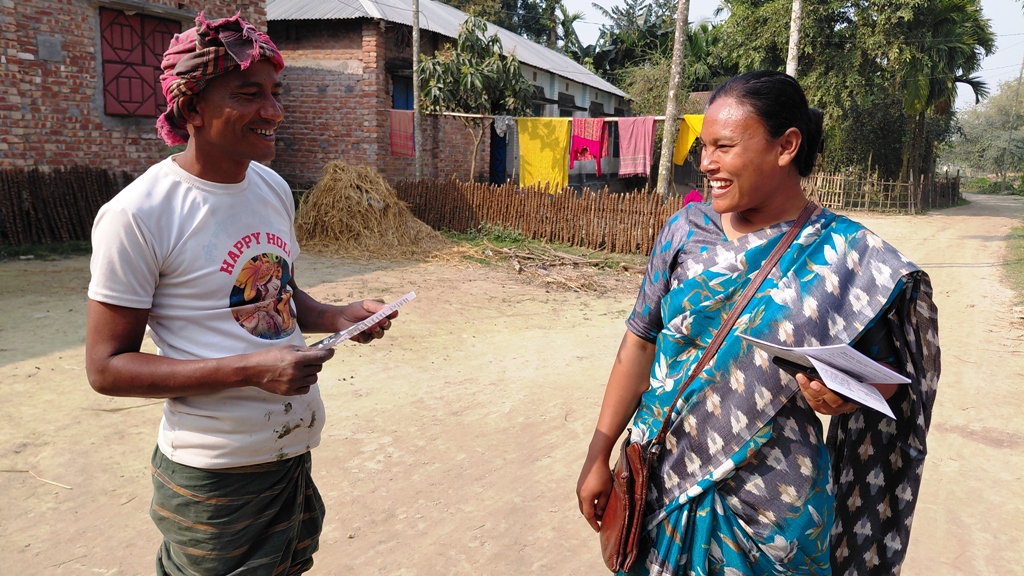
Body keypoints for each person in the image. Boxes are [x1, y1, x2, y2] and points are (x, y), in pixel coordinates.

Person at [576, 70, 939, 575]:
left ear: (786, 146)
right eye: (704, 148)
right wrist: (598, 454)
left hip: (774, 510)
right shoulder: (685, 232)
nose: (706, 163)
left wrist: (843, 397)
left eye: (723, 146)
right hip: (662, 480)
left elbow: (889, 378)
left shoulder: (846, 256)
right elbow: (638, 346)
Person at [85, 13, 397, 575]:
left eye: (276, 93)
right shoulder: (139, 214)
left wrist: (338, 315)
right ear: (192, 109)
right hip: (214, 478)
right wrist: (250, 370)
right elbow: (107, 369)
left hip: (289, 453)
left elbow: (278, 296)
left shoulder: (271, 187)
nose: (273, 111)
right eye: (249, 95)